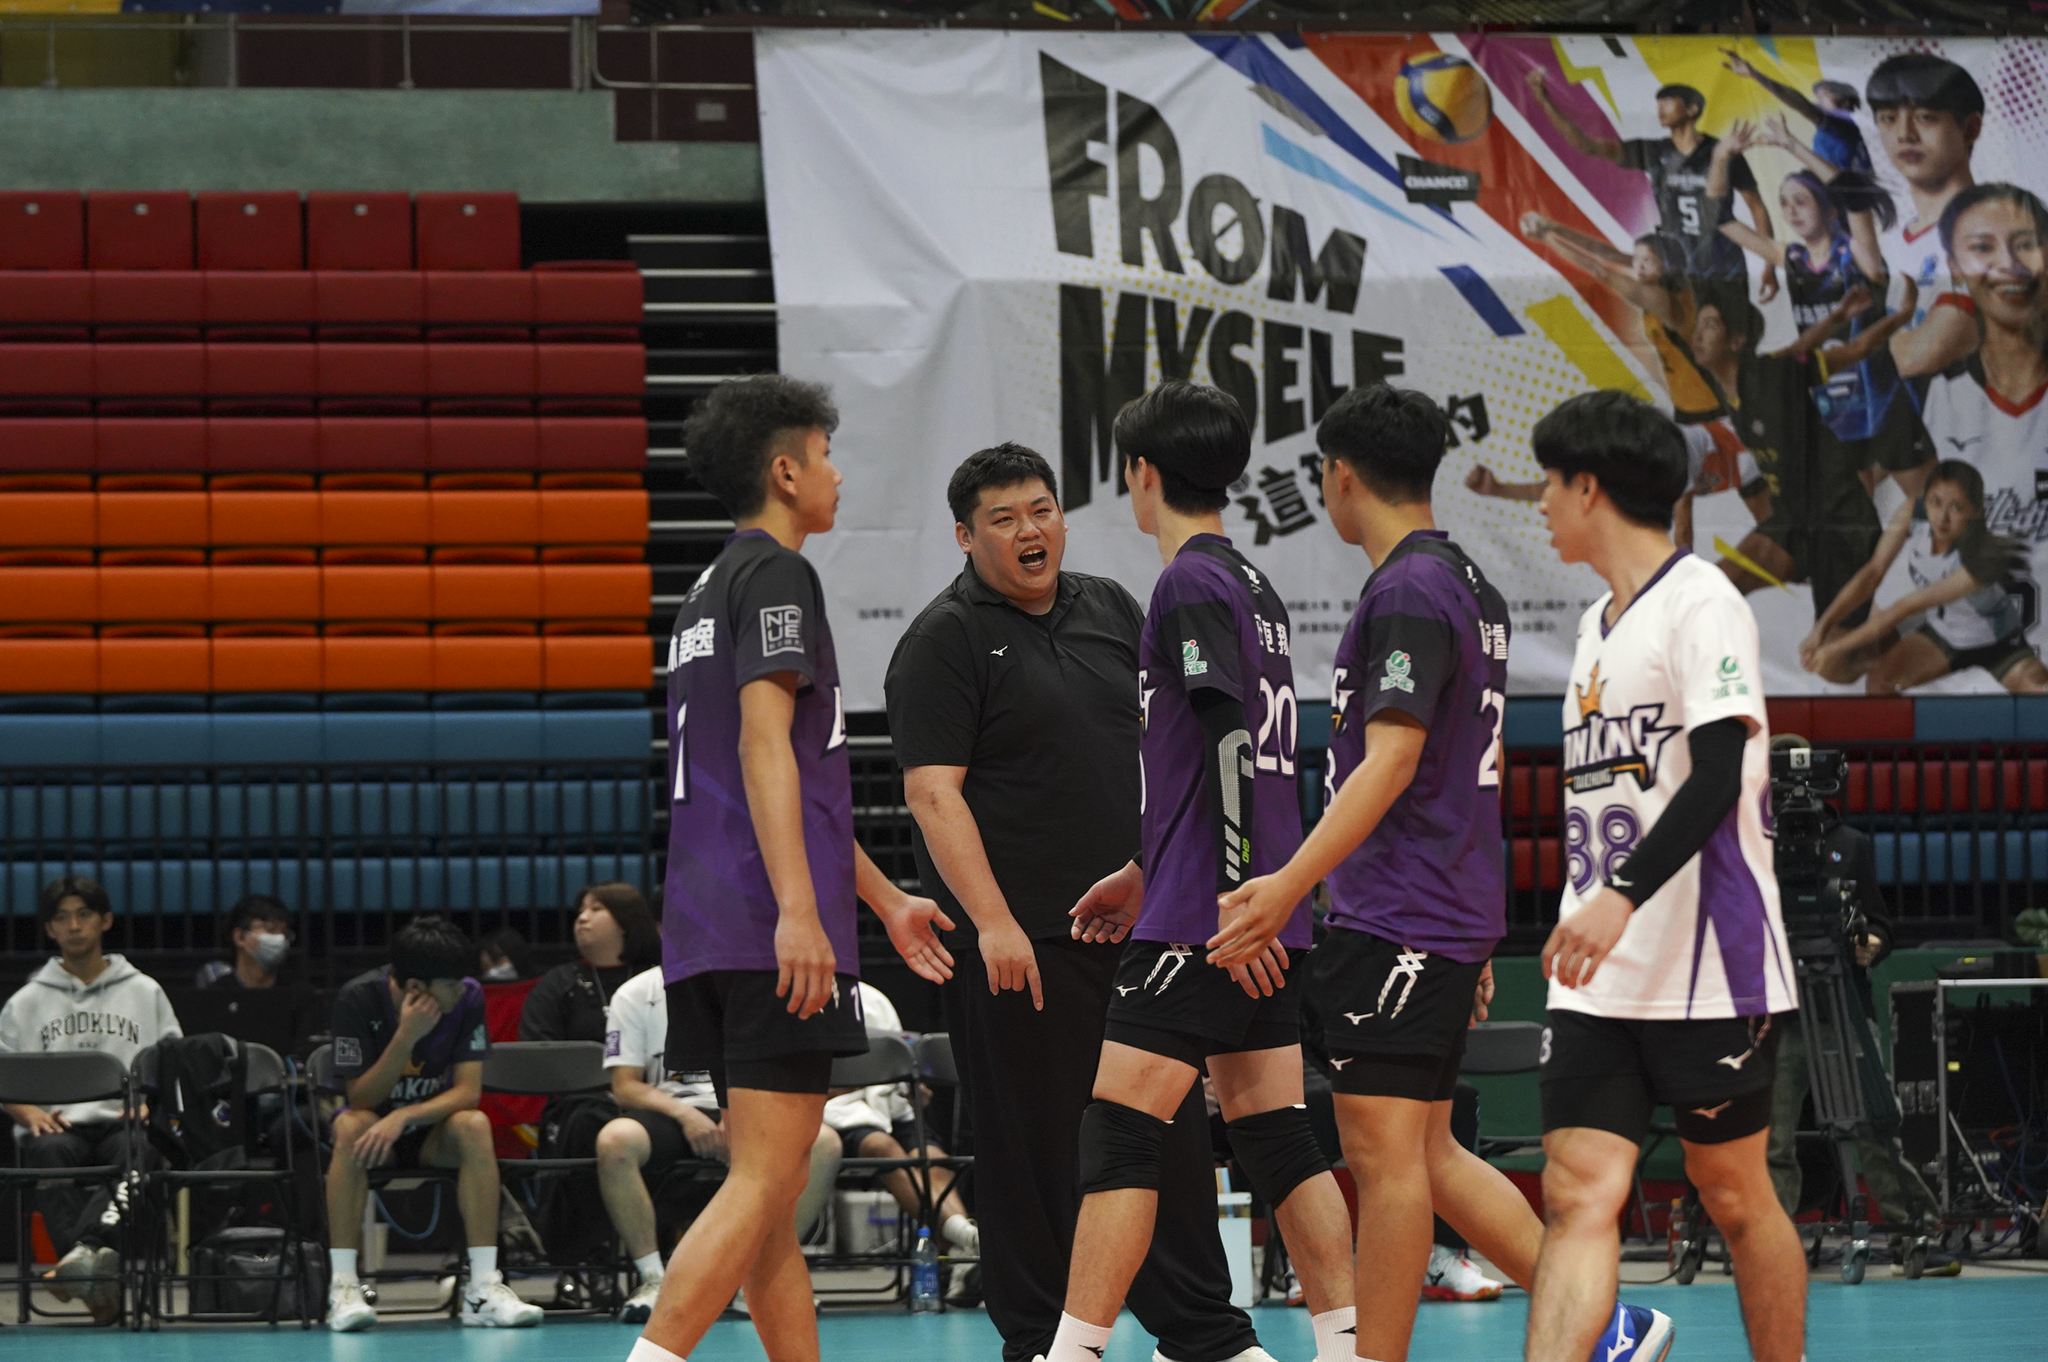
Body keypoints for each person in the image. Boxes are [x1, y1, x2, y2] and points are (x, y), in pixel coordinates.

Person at [1212, 385, 1667, 1362]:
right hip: (1439, 910)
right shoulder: (1464, 582)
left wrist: (1286, 884)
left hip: (1401, 914)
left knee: (1385, 1161)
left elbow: (1391, 761)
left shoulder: (1409, 591)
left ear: (1340, 476)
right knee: (1425, 1150)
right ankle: (1602, 1323)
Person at [887, 439, 1268, 1362]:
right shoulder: (942, 640)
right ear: (965, 537)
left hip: (1139, 927)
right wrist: (994, 924)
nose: (1031, 531)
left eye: (1042, 510)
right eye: (1004, 519)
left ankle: (1202, 1333)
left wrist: (1157, 872)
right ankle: (1040, 1340)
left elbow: (1166, 746)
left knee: (1164, 1132)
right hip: (1020, 942)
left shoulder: (1112, 607)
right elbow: (933, 794)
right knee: (1030, 1147)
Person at [628, 374, 952, 1362]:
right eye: (824, 455)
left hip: (708, 924)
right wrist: (799, 913)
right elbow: (766, 747)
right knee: (768, 1179)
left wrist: (884, 899)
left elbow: (786, 783)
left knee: (764, 1196)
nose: (836, 475)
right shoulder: (778, 575)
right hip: (761, 923)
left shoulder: (704, 590)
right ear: (783, 471)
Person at [1049, 380, 1357, 1362]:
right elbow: (1226, 760)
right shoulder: (1252, 586)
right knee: (1274, 1130)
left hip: (1209, 918)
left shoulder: (1186, 583)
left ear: (1142, 473)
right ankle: (1346, 1345)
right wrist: (1150, 866)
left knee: (1118, 1131)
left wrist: (1222, 896)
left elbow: (1228, 743)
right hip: (1253, 905)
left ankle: (1071, 1353)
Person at [1526, 390, 1804, 1362]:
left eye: (1549, 483)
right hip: (1599, 971)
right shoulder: (1592, 625)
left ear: (1588, 488)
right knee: (1575, 1193)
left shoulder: (1702, 601)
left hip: (1705, 962)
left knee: (1732, 1193)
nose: (1540, 502)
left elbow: (1719, 774)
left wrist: (1621, 894)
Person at [1760, 735, 1953, 1274]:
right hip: (1781, 1011)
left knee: (1874, 1127)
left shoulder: (1851, 844)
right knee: (1772, 1138)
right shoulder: (1752, 845)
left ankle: (1917, 1231)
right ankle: (1771, 1247)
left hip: (1842, 1003)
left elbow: (1881, 923)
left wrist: (1874, 943)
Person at [322, 914, 543, 1332]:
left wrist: (405, 1115)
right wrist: (406, 1036)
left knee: (474, 1124)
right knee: (349, 1125)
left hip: (431, 1131)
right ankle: (344, 1288)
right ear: (415, 988)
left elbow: (467, 1093)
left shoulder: (469, 997)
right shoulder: (358, 998)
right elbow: (360, 1098)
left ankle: (482, 1289)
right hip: (375, 1137)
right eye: (450, 984)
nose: (461, 990)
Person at [597, 962, 843, 1323]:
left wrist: (739, 1114)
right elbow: (625, 1086)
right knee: (614, 1141)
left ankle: (760, 1278)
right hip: (674, 1109)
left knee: (824, 1143)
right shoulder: (636, 993)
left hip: (750, 1104)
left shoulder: (762, 980)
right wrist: (685, 1115)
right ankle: (654, 1280)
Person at [0, 876, 181, 1325]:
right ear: (50, 930)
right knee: (49, 1154)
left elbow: (174, 1061)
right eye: (62, 918)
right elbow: (3, 1072)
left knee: (142, 1152)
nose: (74, 926)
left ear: (106, 921)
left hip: (125, 1121)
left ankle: (82, 1256)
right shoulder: (26, 1001)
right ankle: (95, 1275)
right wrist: (27, 1111)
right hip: (58, 1125)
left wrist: (152, 1100)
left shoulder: (145, 991)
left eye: (84, 914)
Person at [1707, 119, 1920, 481]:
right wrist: (1719, 158)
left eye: (1801, 201)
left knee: (1920, 494)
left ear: (1831, 210)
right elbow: (1721, 220)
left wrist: (1792, 145)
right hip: (1832, 400)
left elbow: (1853, 197)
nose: (1791, 211)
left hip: (1882, 399)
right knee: (1859, 501)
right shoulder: (1792, 258)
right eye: (1784, 203)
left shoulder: (1858, 254)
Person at [1691, 284, 1916, 622]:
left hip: (1840, 525)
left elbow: (1858, 348)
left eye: (1710, 325)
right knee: (1714, 586)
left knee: (1836, 650)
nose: (1697, 335)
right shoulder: (1741, 382)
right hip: (1792, 523)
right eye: (1698, 325)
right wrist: (1836, 318)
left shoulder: (1772, 376)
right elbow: (1797, 350)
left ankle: (1891, 638)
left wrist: (1903, 316)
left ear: (1736, 342)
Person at [1524, 67, 1777, 296]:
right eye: (1659, 103)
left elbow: (1756, 207)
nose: (1660, 108)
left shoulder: (1723, 152)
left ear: (1692, 110)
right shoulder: (1653, 151)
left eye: (1668, 101)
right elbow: (1587, 146)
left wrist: (1770, 263)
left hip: (1725, 267)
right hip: (1677, 267)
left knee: (1732, 332)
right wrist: (1545, 102)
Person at [1801, 460, 2043, 693]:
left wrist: (1834, 649)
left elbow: (1904, 607)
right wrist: (1821, 629)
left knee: (2040, 691)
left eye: (1956, 507)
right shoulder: (1912, 512)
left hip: (1997, 644)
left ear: (1975, 512)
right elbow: (1873, 572)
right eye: (1935, 502)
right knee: (1879, 685)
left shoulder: (1979, 558)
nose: (1943, 517)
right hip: (1944, 635)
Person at [1919, 185, 2048, 569]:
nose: (2009, 264)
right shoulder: (1936, 394)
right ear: (1955, 267)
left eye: (2025, 244)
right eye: (1982, 247)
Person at [1516, 217, 1726, 427]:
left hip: (1706, 407)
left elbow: (1601, 272)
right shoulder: (1666, 280)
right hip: (1690, 402)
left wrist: (1546, 237)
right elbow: (1606, 253)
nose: (1638, 266)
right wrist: (1555, 227)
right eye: (1637, 258)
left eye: (1647, 260)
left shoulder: (1660, 297)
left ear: (1667, 264)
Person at [824, 983, 976, 1261]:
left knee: (935, 1159)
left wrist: (908, 1088)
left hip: (892, 1110)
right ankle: (964, 1248)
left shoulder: (873, 1000)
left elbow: (898, 1063)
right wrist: (856, 1081)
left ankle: (957, 1250)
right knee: (883, 1147)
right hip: (838, 1113)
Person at [1869, 53, 1987, 400]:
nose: (1904, 134)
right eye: (1888, 118)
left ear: (1970, 129)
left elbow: (1922, 354)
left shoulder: (1997, 232)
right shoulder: (1891, 240)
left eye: (1925, 117)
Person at [1720, 49, 1872, 175]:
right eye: (1817, 96)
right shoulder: (1845, 131)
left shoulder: (1842, 124)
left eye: (1825, 95)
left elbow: (1802, 105)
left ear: (1846, 102)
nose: (1819, 100)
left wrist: (1755, 74)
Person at [195, 892, 295, 989]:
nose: (280, 938)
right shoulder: (216, 994)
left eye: (284, 933)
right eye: (270, 929)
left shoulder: (295, 993)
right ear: (240, 937)